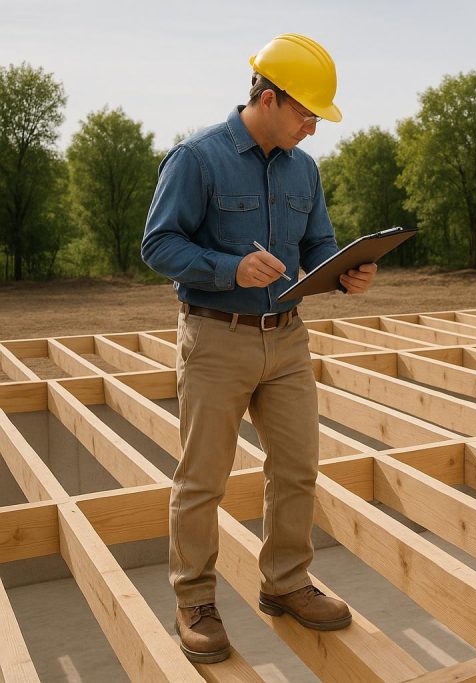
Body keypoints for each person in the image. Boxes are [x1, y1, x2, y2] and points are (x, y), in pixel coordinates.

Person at [141, 33, 376, 664]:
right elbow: (158, 246)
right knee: (202, 480)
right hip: (217, 337)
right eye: (306, 115)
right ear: (267, 98)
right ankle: (195, 600)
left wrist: (345, 270)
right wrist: (228, 268)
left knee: (297, 467)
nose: (312, 129)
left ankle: (287, 582)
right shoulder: (197, 159)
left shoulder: (305, 170)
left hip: (289, 341)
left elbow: (319, 245)